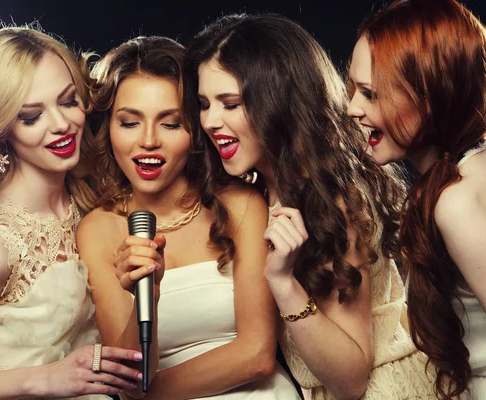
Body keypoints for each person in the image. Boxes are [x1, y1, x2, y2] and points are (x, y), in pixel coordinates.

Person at [183, 13, 437, 400]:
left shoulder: (335, 198)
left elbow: (351, 378)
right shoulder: (256, 193)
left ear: (278, 102)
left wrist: (284, 284)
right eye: (204, 104)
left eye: (230, 103)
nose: (211, 121)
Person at [0, 25, 145, 399]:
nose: (61, 125)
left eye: (68, 101)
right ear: (0, 130)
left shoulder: (89, 199)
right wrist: (42, 379)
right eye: (31, 116)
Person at [77, 35, 300, 399]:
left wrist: (146, 395)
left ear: (195, 130)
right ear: (108, 129)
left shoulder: (240, 205)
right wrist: (151, 294)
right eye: (130, 122)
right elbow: (131, 371)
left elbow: (258, 355)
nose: (148, 141)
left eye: (170, 123)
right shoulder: (97, 231)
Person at [346, 0, 486, 399]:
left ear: (431, 95)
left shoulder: (459, 202)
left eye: (370, 94)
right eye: (353, 88)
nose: (351, 108)